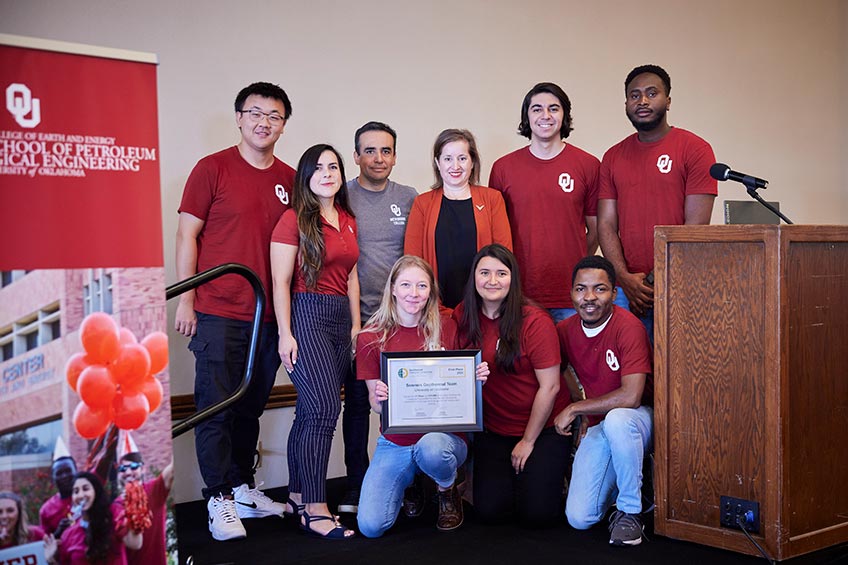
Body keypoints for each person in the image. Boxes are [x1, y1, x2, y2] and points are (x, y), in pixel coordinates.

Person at [175, 81, 292, 540]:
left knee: (250, 408)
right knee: (215, 408)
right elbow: (188, 235)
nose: (264, 122)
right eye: (255, 113)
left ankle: (243, 487)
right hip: (220, 311)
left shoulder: (288, 178)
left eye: (274, 116)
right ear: (240, 118)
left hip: (268, 316)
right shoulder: (212, 168)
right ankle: (218, 498)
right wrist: (187, 298)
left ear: (284, 124)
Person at [355, 256, 489, 537]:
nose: (413, 294)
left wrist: (475, 377)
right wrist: (379, 397)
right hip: (396, 442)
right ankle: (413, 480)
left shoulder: (448, 325)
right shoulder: (370, 337)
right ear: (392, 288)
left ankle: (446, 487)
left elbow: (463, 382)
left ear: (431, 291)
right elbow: (375, 406)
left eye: (421, 286)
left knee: (430, 448)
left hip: (443, 439)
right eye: (405, 285)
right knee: (371, 526)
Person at [271, 144, 360, 539]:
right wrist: (284, 333)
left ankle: (294, 495)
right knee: (324, 409)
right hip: (306, 314)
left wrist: (357, 326)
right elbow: (281, 282)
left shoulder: (347, 219)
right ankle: (315, 507)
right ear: (306, 175)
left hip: (341, 318)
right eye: (319, 167)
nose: (328, 173)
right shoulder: (292, 220)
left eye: (334, 166)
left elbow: (352, 275)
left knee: (309, 412)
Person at [454, 244, 571, 526]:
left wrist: (527, 442)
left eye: (501, 273)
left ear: (513, 278)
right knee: (491, 512)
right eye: (484, 273)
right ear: (474, 277)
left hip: (542, 428)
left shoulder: (534, 321)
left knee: (539, 514)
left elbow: (551, 387)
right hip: (494, 429)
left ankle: (559, 473)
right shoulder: (462, 316)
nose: (492, 281)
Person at [598, 64, 717, 337]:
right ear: (626, 103)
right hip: (628, 292)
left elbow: (695, 225)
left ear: (668, 101)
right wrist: (624, 278)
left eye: (652, 93)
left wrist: (654, 281)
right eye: (634, 95)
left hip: (679, 284)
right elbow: (605, 224)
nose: (642, 101)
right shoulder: (613, 156)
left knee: (676, 372)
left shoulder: (695, 149)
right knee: (633, 373)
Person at [339, 122, 418, 514]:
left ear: (395, 156)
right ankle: (356, 485)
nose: (378, 158)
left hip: (403, 321)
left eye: (385, 151)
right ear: (355, 156)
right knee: (357, 407)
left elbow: (418, 259)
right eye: (369, 151)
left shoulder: (408, 197)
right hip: (356, 322)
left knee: (408, 407)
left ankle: (411, 491)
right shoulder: (341, 196)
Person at [553, 255, 653, 547]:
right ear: (571, 293)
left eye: (600, 289)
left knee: (618, 419)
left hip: (642, 419)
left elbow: (631, 396)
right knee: (579, 518)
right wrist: (578, 400)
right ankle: (637, 484)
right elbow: (558, 368)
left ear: (614, 293)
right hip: (604, 424)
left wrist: (576, 408)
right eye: (581, 289)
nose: (589, 297)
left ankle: (631, 512)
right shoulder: (565, 330)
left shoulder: (628, 327)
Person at [489, 82, 600, 322]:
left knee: (572, 360)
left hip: (571, 295)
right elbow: (496, 234)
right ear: (527, 117)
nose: (546, 115)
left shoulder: (588, 165)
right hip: (519, 294)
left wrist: (574, 257)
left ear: (565, 115)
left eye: (554, 108)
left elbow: (596, 230)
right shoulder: (503, 168)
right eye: (537, 109)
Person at [404, 129, 512, 310]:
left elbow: (504, 255)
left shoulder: (492, 199)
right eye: (448, 159)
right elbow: (412, 261)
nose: (455, 166)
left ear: (472, 162)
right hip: (434, 306)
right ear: (438, 163)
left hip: (483, 305)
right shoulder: (422, 203)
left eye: (462, 158)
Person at [43, 472, 143, 565]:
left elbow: (135, 544)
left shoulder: (113, 515)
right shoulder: (68, 535)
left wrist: (134, 509)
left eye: (85, 489)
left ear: (96, 491)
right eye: (76, 491)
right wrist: (52, 559)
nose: (81, 495)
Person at [114, 433, 174, 565]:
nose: (129, 472)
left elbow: (173, 470)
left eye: (134, 466)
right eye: (123, 468)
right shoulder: (115, 506)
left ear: (143, 469)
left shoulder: (154, 490)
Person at [39, 439, 76, 536]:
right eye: (59, 473)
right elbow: (45, 545)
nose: (64, 476)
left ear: (76, 471)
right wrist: (59, 532)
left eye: (68, 470)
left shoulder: (87, 496)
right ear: (53, 478)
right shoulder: (46, 510)